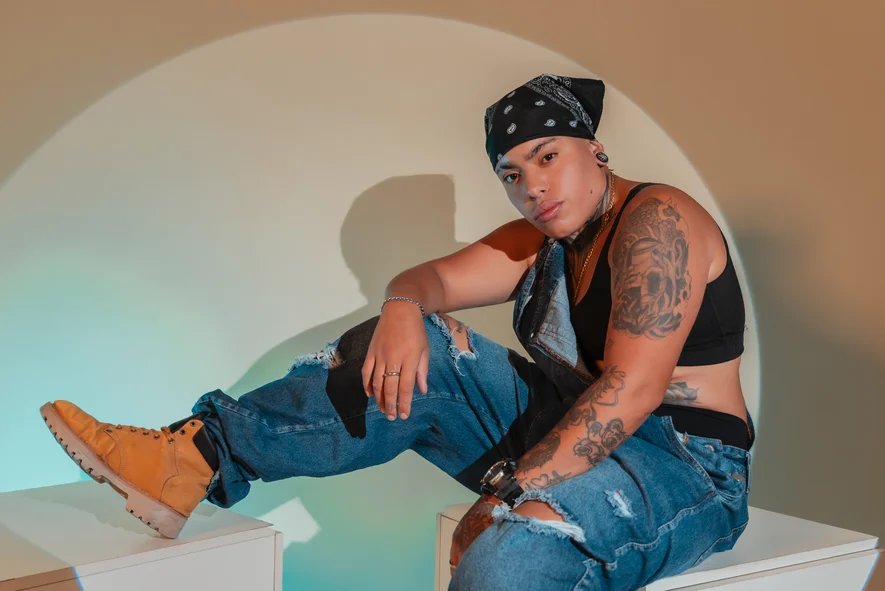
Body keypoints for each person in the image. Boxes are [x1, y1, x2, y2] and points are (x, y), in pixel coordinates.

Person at [39, 74, 754, 590]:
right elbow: (427, 280)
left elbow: (632, 389)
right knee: (426, 346)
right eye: (511, 174)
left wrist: (503, 496)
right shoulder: (543, 242)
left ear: (593, 149)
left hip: (683, 462)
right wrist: (403, 307)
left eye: (547, 156)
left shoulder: (657, 221)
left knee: (512, 558)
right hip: (573, 432)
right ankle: (193, 459)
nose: (532, 187)